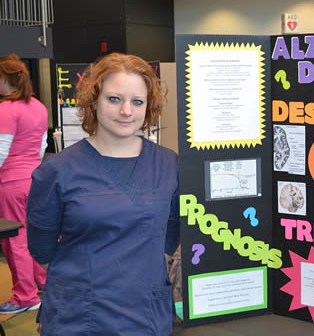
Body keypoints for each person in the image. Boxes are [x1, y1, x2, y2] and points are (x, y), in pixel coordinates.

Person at [27, 52, 180, 335]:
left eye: (137, 102)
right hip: (79, 315)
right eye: (114, 99)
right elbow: (42, 248)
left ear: (149, 107)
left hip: (145, 312)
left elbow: (170, 236)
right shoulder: (58, 170)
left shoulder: (169, 164)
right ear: (93, 100)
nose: (126, 111)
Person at [0, 54, 48, 314]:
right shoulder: (39, 107)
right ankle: (40, 284)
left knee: (15, 240)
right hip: (35, 179)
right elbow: (41, 147)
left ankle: (24, 297)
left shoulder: (6, 110)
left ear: (5, 79)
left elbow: (1, 151)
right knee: (32, 235)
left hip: (11, 183)